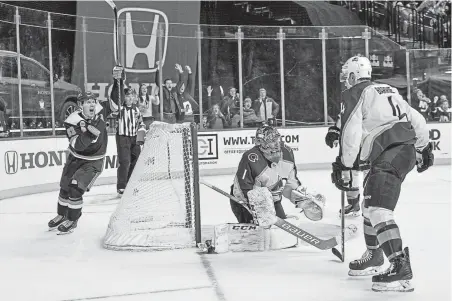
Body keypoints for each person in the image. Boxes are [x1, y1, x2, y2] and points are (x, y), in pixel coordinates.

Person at [331, 56, 434, 292]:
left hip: (390, 151)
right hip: (397, 151)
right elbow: (415, 117)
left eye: (347, 75)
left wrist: (345, 164)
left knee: (378, 210)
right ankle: (375, 256)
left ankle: (399, 266)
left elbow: (351, 131)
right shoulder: (388, 90)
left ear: (353, 75)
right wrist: (423, 146)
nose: (345, 80)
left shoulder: (356, 92)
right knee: (369, 207)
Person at [47, 90, 117, 234]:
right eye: (87, 102)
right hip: (75, 157)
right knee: (64, 187)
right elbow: (77, 144)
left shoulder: (100, 111)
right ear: (80, 105)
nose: (92, 105)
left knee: (75, 188)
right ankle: (62, 215)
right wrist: (91, 133)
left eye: (93, 102)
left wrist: (117, 81)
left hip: (93, 161)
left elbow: (115, 103)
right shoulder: (71, 120)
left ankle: (72, 220)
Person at [231, 125, 326, 224]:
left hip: (273, 201)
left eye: (277, 139)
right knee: (254, 236)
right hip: (245, 203)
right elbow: (241, 188)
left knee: (279, 232)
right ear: (261, 143)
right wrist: (256, 207)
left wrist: (302, 199)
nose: (277, 144)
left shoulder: (287, 153)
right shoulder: (250, 158)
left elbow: (290, 184)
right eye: (271, 141)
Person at [325, 114, 369, 217]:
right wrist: (334, 131)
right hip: (351, 145)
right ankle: (354, 204)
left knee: (371, 174)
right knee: (350, 174)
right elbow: (343, 120)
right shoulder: (350, 103)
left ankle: (370, 205)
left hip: (368, 143)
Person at [110, 72, 145, 196]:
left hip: (134, 138)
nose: (130, 98)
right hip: (123, 137)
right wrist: (118, 81)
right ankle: (122, 186)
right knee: (125, 161)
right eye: (128, 96)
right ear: (124, 97)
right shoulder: (120, 108)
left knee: (135, 160)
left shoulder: (136, 109)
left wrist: (142, 134)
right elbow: (114, 102)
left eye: (132, 96)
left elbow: (141, 123)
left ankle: (130, 183)